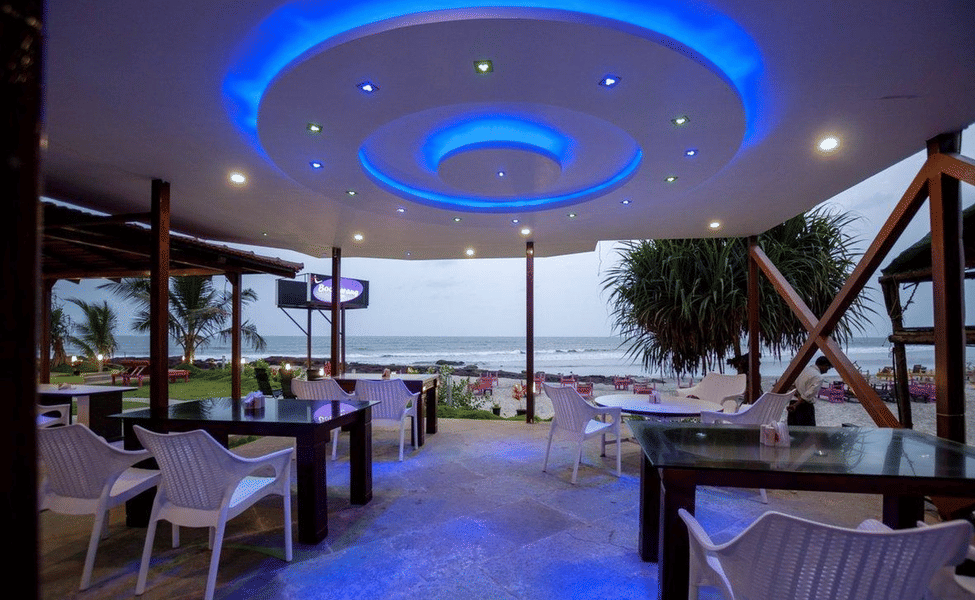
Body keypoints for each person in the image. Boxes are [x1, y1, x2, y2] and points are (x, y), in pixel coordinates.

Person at [789, 356, 832, 426]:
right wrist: (796, 404)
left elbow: (792, 386)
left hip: (793, 402)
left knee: (792, 430)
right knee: (807, 431)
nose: (827, 370)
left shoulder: (803, 370)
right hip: (804, 406)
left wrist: (797, 397)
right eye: (828, 368)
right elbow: (809, 394)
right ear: (825, 365)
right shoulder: (818, 377)